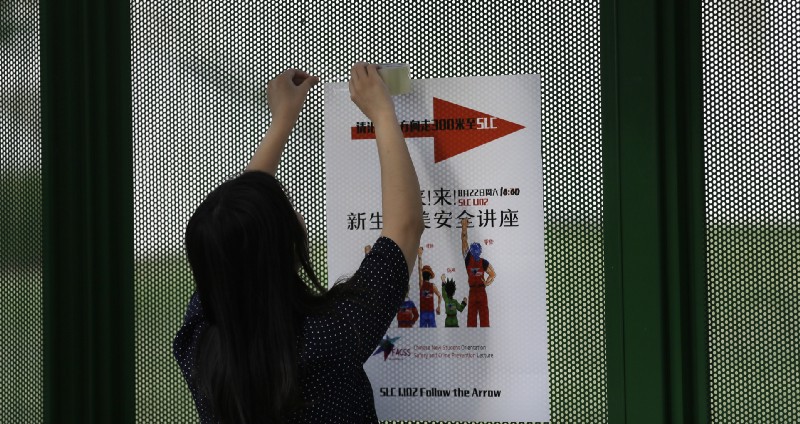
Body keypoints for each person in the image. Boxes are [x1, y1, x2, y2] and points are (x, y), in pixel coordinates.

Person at [173, 63, 424, 423]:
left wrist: (283, 120)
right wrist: (383, 114)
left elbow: (234, 246)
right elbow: (406, 227)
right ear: (284, 250)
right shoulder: (330, 334)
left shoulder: (196, 346)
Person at [461, 218, 496, 327]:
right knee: (472, 319)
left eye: (477, 250)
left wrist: (487, 283)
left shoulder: (481, 262)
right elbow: (464, 240)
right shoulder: (470, 259)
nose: (476, 252)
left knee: (483, 319)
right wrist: (464, 226)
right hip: (474, 291)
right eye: (474, 250)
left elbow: (493, 274)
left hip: (480, 291)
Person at [416, 246, 442, 327]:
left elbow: (419, 269)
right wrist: (438, 307)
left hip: (426, 312)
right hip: (428, 312)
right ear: (430, 276)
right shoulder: (430, 285)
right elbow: (439, 296)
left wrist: (420, 256)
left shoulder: (422, 284)